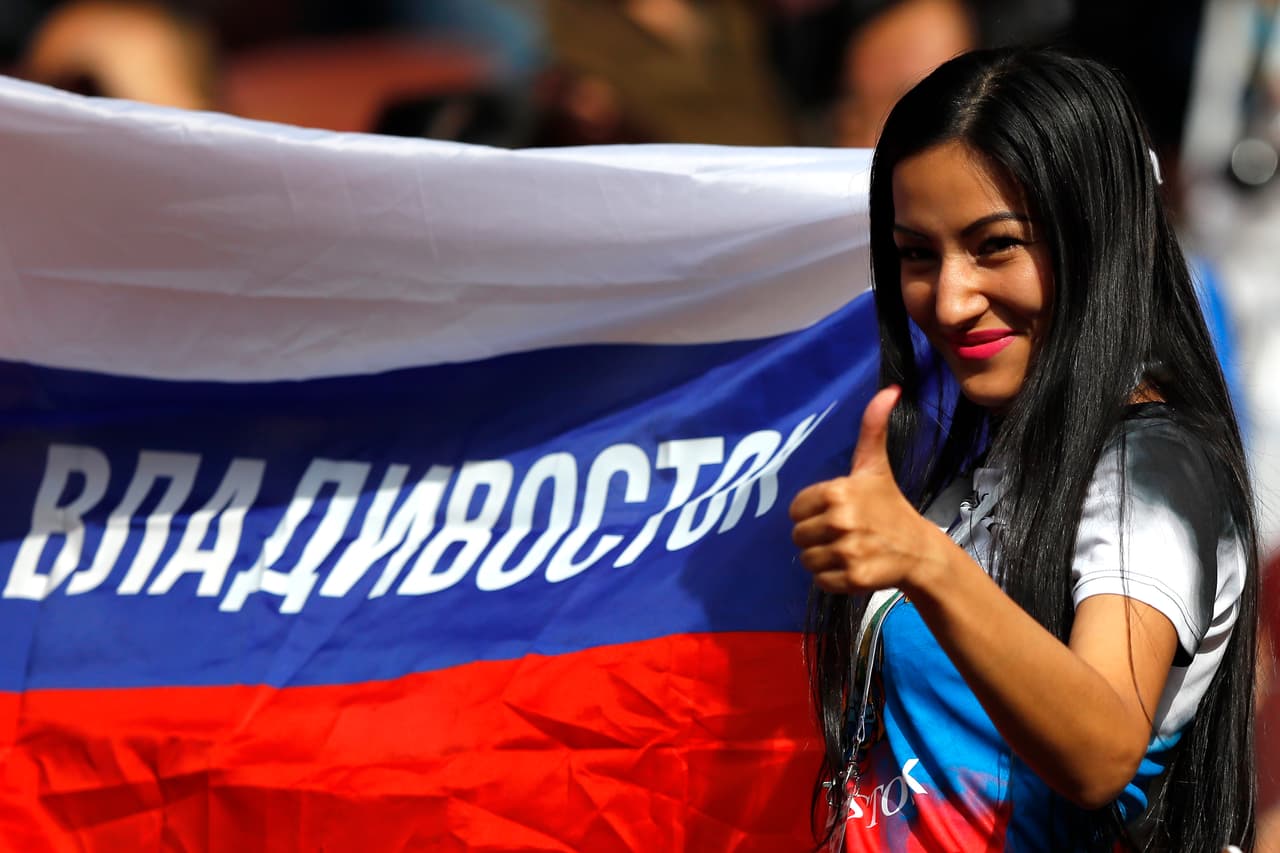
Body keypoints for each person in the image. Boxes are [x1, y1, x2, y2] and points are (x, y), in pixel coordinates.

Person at [790, 48, 1258, 851]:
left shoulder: (1146, 467)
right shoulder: (969, 463)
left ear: (1098, 238)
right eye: (916, 254)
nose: (951, 298)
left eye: (996, 245)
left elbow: (1103, 747)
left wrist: (926, 564)